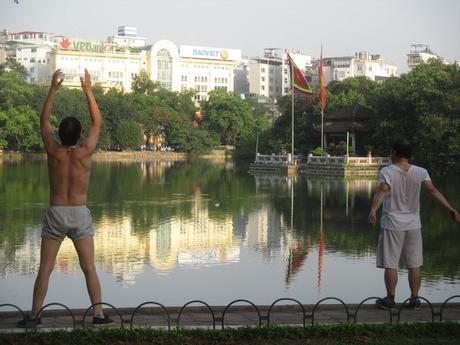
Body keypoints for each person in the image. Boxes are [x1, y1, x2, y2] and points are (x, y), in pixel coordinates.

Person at [18, 69, 113, 327]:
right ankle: (98, 315)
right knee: (89, 268)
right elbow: (97, 122)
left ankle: (36, 315)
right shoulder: (85, 151)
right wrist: (88, 90)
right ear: (79, 134)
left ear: (60, 134)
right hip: (80, 213)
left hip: (57, 212)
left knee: (46, 268)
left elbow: (43, 121)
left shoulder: (53, 150)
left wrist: (53, 90)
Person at [369, 139, 460, 310]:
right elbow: (432, 191)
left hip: (392, 223)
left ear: (395, 152)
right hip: (413, 224)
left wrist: (373, 210)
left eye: (391, 151)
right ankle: (415, 299)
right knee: (414, 263)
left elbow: (382, 190)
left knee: (390, 263)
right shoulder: (421, 172)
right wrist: (450, 208)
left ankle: (390, 299)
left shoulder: (387, 171)